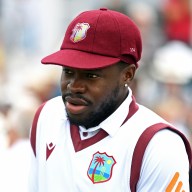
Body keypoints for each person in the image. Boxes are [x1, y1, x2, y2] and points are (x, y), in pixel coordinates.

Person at [29, 8, 192, 192]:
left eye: (90, 75)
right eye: (68, 71)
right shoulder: (47, 115)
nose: (74, 86)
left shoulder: (158, 145)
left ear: (127, 75)